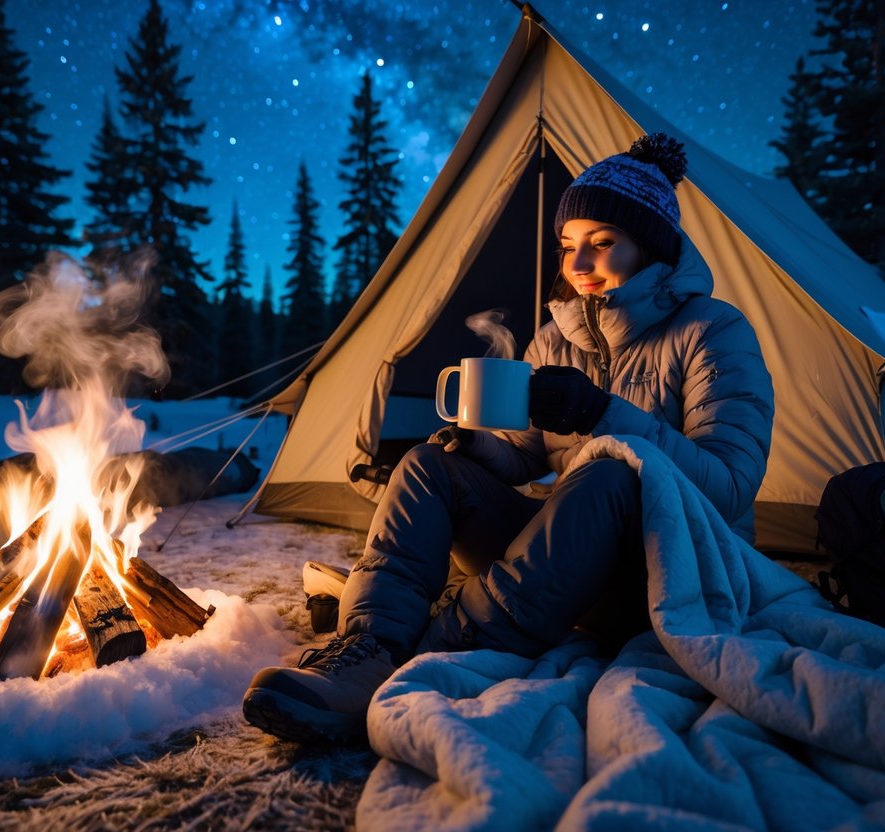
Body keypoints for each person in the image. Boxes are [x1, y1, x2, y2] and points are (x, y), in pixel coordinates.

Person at [241, 133, 775, 744]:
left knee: (609, 471)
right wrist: (477, 448)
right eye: (568, 246)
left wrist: (601, 413)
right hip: (567, 569)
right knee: (426, 464)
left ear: (651, 247)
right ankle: (370, 648)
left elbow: (729, 487)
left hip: (667, 576)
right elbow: (523, 454)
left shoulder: (712, 331)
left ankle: (439, 649)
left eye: (603, 244)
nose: (578, 265)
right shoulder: (553, 339)